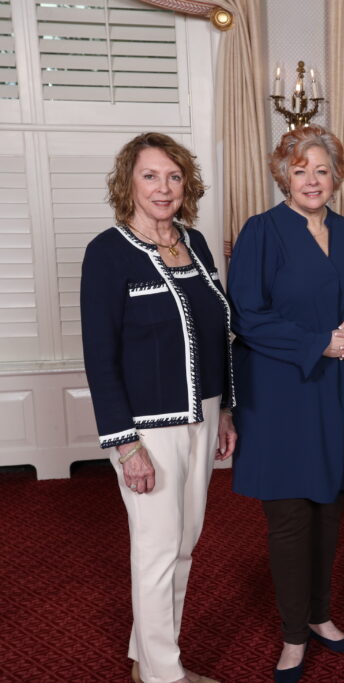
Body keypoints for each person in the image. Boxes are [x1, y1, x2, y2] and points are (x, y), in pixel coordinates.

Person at [81, 132, 236, 683]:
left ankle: (146, 657)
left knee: (184, 546)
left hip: (203, 413)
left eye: (173, 176)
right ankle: (164, 675)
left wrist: (224, 411)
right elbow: (100, 357)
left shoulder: (193, 242)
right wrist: (126, 446)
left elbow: (216, 333)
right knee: (156, 550)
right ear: (128, 183)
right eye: (150, 175)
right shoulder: (107, 252)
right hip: (148, 429)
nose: (163, 187)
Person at [228, 125, 344, 683]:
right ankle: (292, 636)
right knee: (289, 518)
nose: (312, 180)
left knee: (329, 510)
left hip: (337, 390)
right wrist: (321, 342)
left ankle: (320, 616)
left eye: (322, 169)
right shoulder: (262, 232)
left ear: (337, 175)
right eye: (300, 169)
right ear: (282, 175)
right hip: (282, 392)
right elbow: (247, 316)